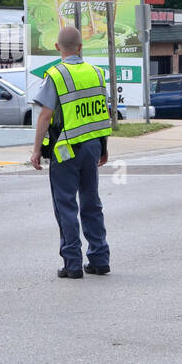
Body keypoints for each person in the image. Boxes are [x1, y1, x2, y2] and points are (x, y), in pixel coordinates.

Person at [29, 25, 112, 279]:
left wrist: (35, 150)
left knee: (65, 205)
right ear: (80, 47)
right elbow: (102, 112)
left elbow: (45, 116)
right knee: (91, 202)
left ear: (57, 48)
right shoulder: (97, 73)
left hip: (65, 149)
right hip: (92, 146)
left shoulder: (55, 75)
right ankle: (99, 258)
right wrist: (104, 147)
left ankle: (72, 263)